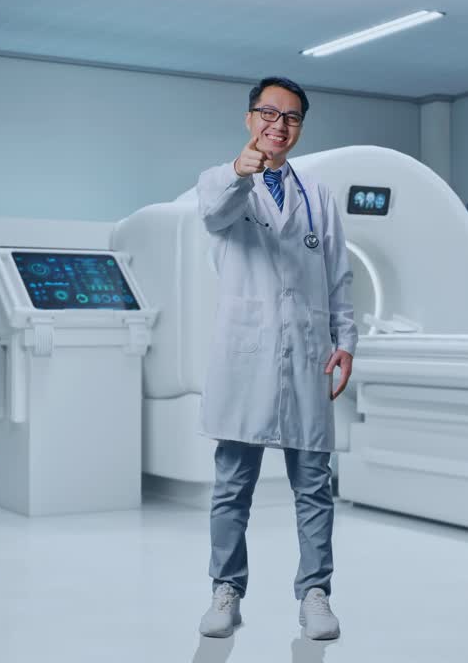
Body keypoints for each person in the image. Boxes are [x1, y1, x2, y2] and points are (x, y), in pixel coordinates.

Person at [193, 77, 357, 640]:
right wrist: (243, 171)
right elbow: (216, 215)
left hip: (309, 354)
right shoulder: (220, 182)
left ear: (300, 128)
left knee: (314, 485)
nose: (278, 124)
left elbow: (338, 275)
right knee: (232, 484)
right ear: (249, 118)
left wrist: (347, 341)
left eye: (290, 117)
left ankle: (315, 592)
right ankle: (227, 591)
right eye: (268, 113)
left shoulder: (318, 195)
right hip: (246, 355)